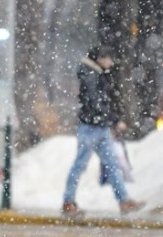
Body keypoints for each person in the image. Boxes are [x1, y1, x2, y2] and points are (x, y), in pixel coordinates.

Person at [62, 46, 144, 217]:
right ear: (100, 58)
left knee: (111, 165)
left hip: (99, 126)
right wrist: (113, 120)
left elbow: (100, 101)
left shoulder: (95, 74)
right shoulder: (91, 75)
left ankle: (123, 200)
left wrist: (110, 120)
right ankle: (68, 202)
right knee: (82, 165)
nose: (111, 63)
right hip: (91, 127)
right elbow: (97, 101)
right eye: (109, 59)